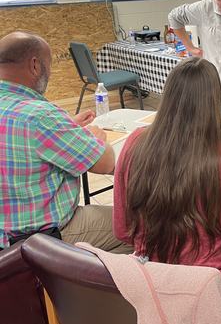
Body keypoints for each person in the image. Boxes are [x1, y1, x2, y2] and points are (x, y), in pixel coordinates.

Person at [113, 57, 221, 319]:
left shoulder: (135, 142)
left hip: (155, 291)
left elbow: (123, 231)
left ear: (168, 96)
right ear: (215, 100)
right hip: (217, 296)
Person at [0, 31, 128, 252]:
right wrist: (93, 137)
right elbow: (107, 163)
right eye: (48, 65)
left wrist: (66, 126)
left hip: (6, 237)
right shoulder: (40, 116)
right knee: (137, 226)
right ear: (35, 66)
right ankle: (88, 279)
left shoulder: (30, 115)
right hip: (39, 237)